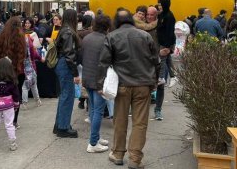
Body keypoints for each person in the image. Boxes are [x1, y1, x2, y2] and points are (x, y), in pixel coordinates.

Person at [97, 9, 159, 169]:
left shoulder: (111, 36)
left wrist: (100, 85)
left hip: (122, 85)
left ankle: (118, 154)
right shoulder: (145, 36)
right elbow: (155, 60)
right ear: (131, 20)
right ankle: (135, 159)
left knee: (120, 120)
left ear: (116, 22)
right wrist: (154, 81)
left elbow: (103, 62)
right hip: (143, 85)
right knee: (140, 123)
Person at [0, 17, 26, 129]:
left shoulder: (0, 37)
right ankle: (13, 121)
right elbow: (26, 55)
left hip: (0, 71)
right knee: (16, 95)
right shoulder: (22, 39)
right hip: (17, 71)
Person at [82, 14, 111, 153]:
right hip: (99, 80)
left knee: (94, 110)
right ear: (107, 27)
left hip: (87, 78)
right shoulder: (106, 40)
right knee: (98, 111)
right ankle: (93, 143)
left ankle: (96, 138)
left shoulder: (87, 38)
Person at [53, 9, 81, 138]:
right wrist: (75, 73)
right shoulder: (69, 32)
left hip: (61, 63)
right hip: (66, 65)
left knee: (64, 95)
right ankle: (63, 127)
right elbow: (70, 54)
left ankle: (60, 125)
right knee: (67, 96)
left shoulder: (64, 30)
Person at [157, 0, 177, 87]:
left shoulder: (169, 16)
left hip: (166, 42)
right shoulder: (162, 14)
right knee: (167, 60)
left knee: (162, 59)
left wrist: (167, 46)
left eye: (160, 5)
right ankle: (173, 76)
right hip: (162, 41)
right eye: (158, 5)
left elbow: (170, 31)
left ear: (165, 4)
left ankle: (161, 78)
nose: (159, 7)